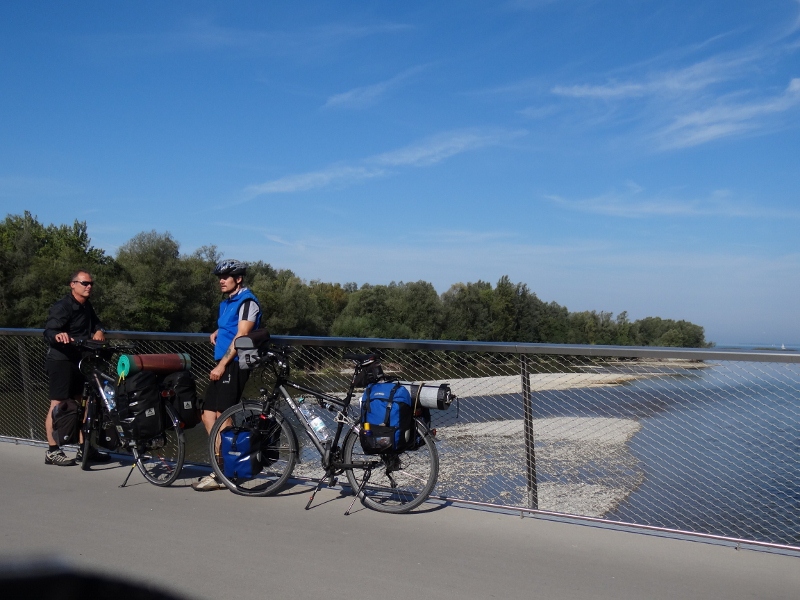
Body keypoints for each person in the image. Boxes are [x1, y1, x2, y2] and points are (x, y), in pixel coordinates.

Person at [192, 259, 261, 491]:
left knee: (224, 413)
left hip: (236, 363)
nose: (221, 281)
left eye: (226, 277)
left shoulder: (248, 301)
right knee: (207, 414)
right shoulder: (227, 302)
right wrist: (219, 330)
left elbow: (242, 337)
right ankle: (220, 464)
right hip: (222, 362)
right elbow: (229, 326)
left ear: (238, 279)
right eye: (219, 277)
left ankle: (225, 472)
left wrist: (222, 365)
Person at [42, 270, 109, 466]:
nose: (89, 287)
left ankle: (85, 448)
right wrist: (58, 336)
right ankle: (53, 450)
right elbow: (49, 331)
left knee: (84, 403)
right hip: (61, 361)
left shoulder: (87, 306)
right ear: (73, 285)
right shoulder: (62, 307)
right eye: (84, 283)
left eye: (91, 284)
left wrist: (99, 330)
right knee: (58, 404)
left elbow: (98, 323)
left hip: (81, 360)